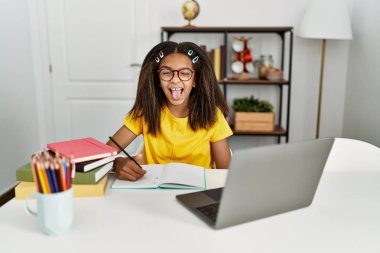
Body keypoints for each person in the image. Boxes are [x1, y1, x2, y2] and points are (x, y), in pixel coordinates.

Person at [107, 41, 233, 181]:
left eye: (185, 73)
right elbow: (103, 154)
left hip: (198, 194)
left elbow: (226, 173)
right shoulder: (145, 112)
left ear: (195, 80)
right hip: (154, 192)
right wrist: (116, 162)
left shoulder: (212, 116)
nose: (175, 80)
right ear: (158, 80)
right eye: (166, 73)